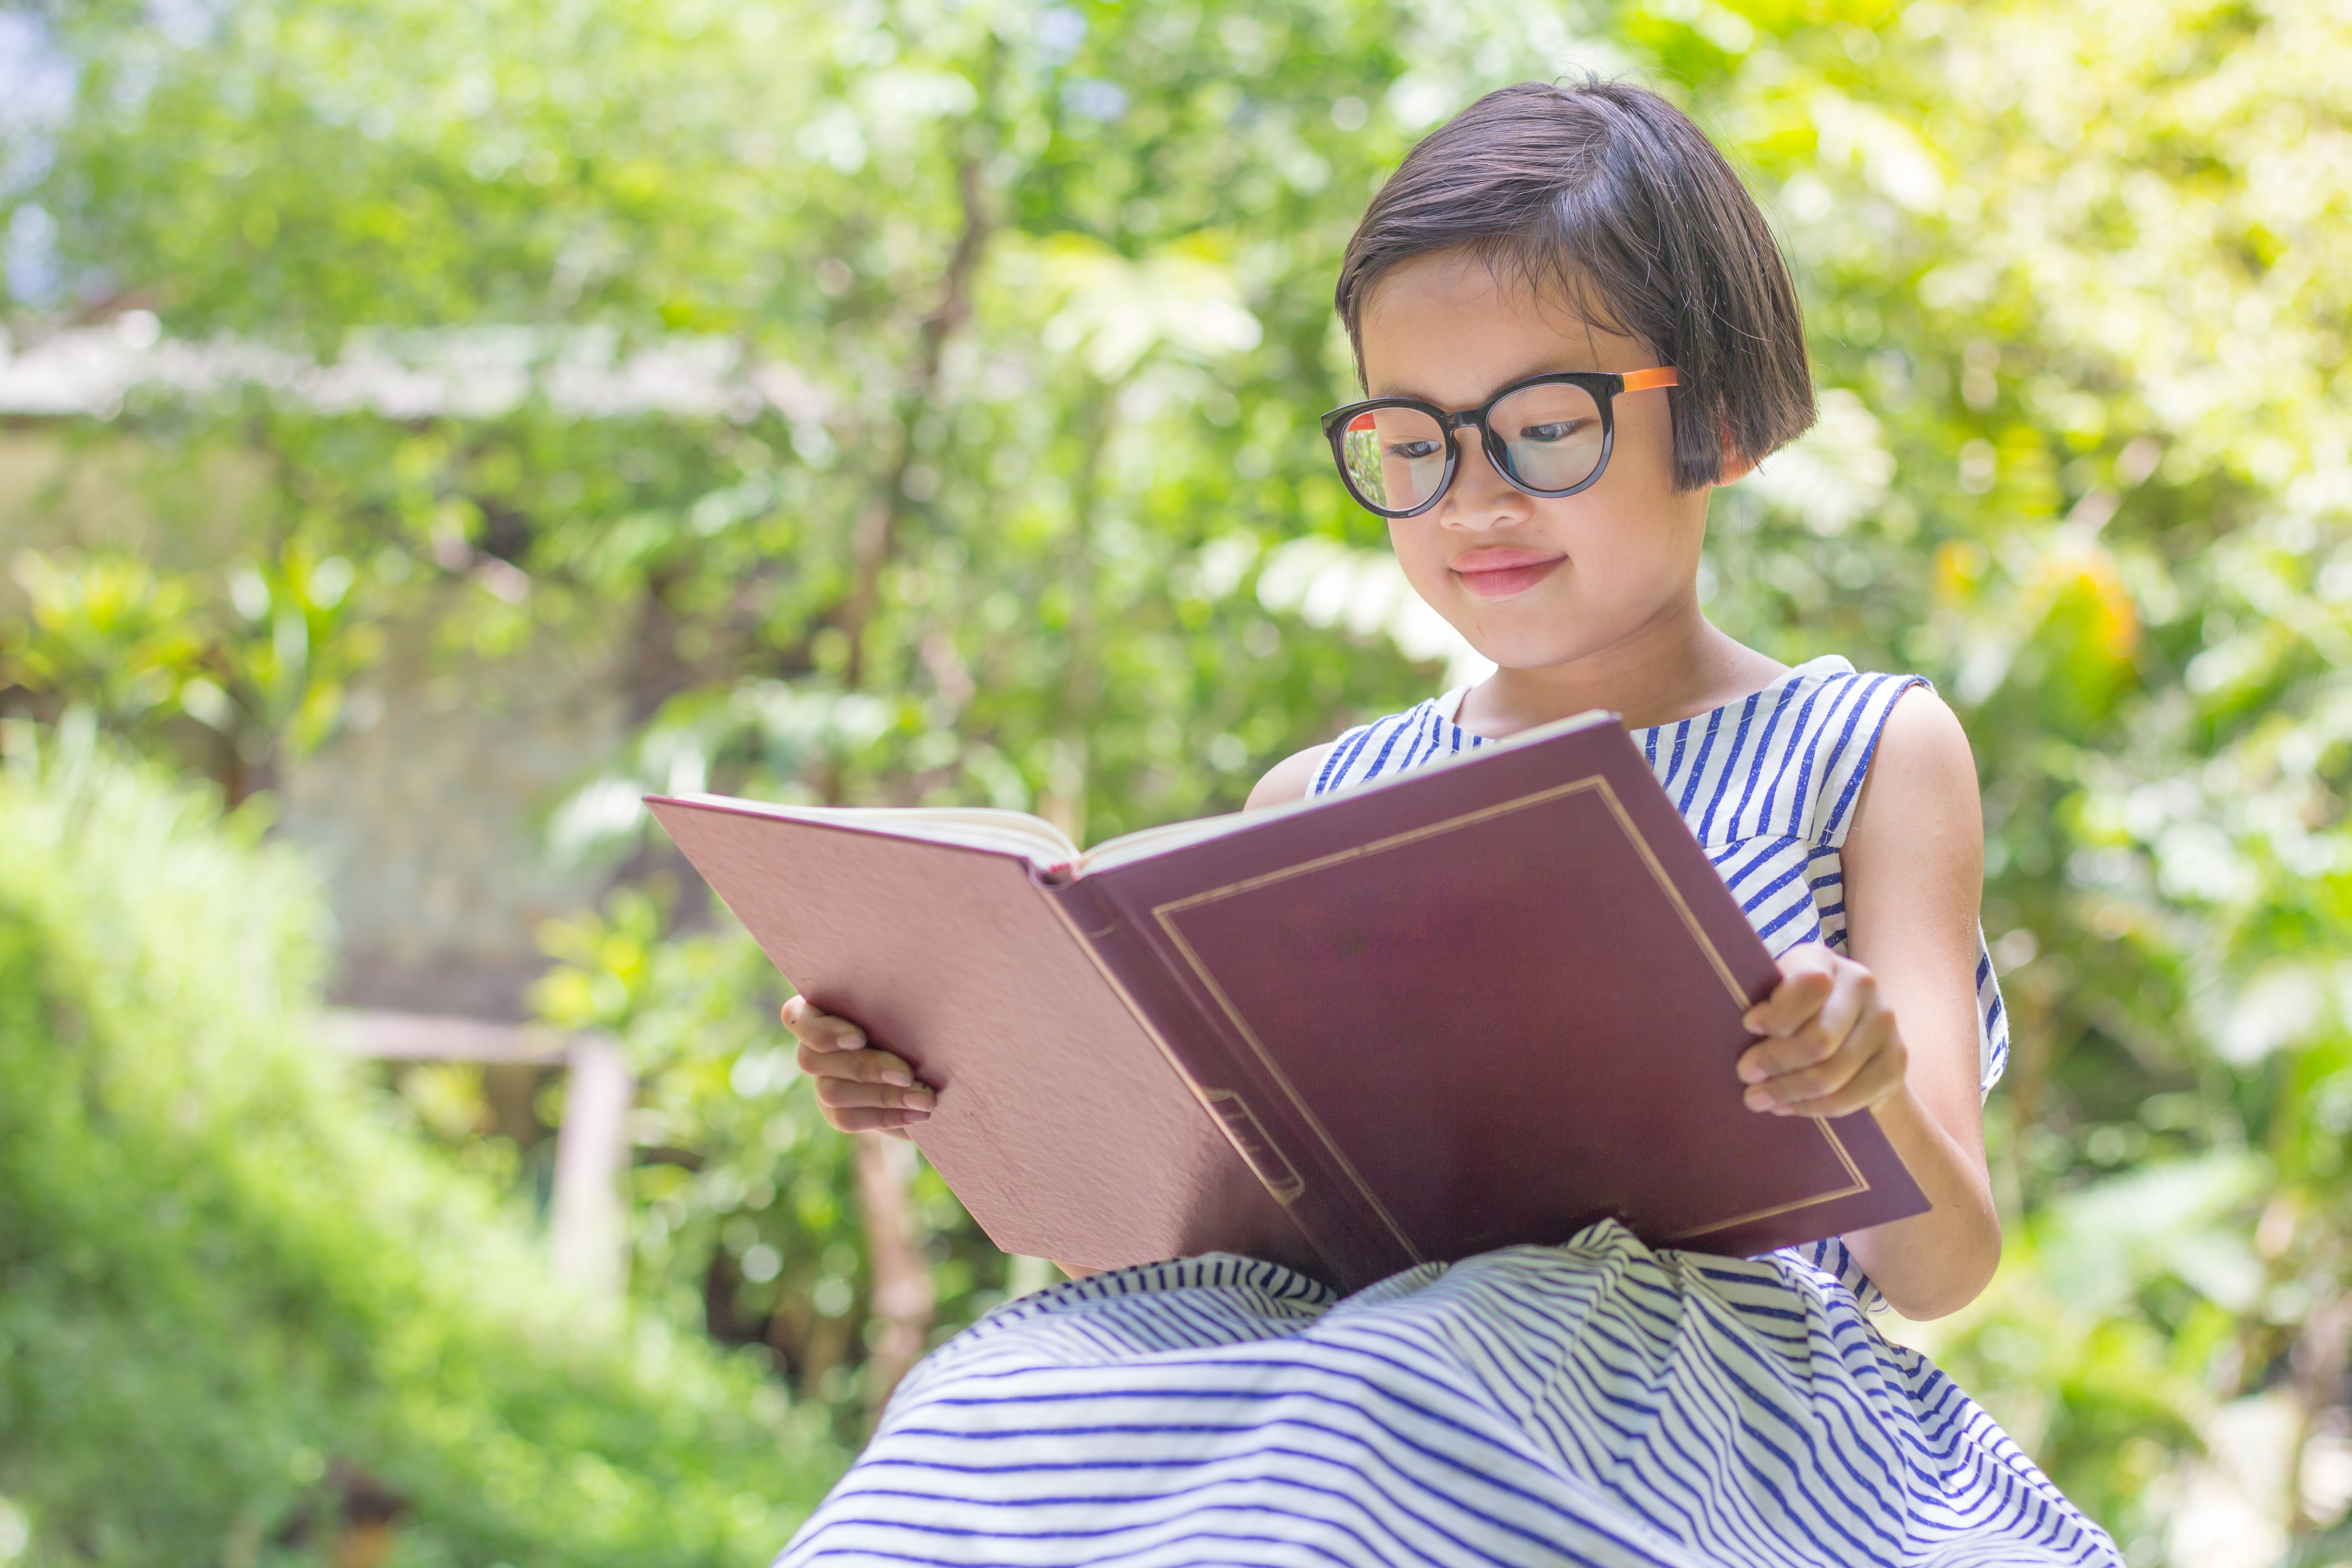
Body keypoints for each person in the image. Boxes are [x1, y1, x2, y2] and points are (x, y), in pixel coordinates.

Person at [773, 79, 2120, 1567]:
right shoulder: (1316, 799)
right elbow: (1204, 1247)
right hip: (1347, 1368)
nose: (1474, 499)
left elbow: (1942, 1266)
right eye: (1411, 443)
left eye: (1545, 428)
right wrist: (961, 1088)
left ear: (1720, 422)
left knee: (1412, 1376)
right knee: (987, 1392)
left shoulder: (1861, 748)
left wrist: (1856, 1084)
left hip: (1695, 1408)